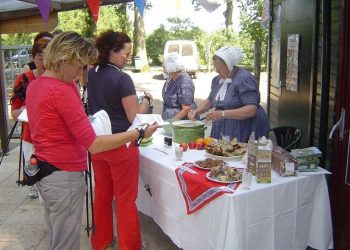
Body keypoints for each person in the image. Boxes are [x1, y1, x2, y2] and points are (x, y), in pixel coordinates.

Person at [25, 32, 157, 250]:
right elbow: (94, 142)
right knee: (67, 242)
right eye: (78, 66)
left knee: (61, 231)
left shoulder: (37, 84)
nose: (80, 73)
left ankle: (102, 240)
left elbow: (58, 126)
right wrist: (139, 133)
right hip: (66, 172)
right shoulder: (63, 89)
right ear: (65, 58)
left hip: (45, 170)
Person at [87, 30, 151, 250]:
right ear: (112, 51)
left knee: (103, 195)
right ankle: (129, 245)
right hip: (122, 145)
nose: (128, 56)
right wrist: (146, 102)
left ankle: (101, 240)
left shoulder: (93, 72)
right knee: (124, 199)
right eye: (126, 52)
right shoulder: (123, 78)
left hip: (99, 143)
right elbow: (135, 117)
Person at [188, 46, 269, 142]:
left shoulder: (244, 78)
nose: (216, 70)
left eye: (219, 68)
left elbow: (251, 110)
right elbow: (210, 100)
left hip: (244, 128)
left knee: (240, 155)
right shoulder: (217, 79)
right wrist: (196, 111)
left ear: (229, 66)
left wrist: (222, 114)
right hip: (223, 127)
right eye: (215, 67)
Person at [10, 37, 52, 198]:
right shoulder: (24, 79)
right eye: (40, 59)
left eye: (47, 59)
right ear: (33, 58)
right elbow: (14, 113)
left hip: (52, 137)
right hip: (30, 135)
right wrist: (26, 110)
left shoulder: (59, 78)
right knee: (34, 174)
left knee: (49, 183)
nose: (44, 63)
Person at [161, 52, 196, 120]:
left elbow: (186, 108)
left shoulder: (184, 80)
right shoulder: (171, 78)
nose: (163, 66)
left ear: (171, 66)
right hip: (171, 120)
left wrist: (171, 122)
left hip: (180, 124)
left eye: (164, 65)